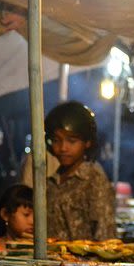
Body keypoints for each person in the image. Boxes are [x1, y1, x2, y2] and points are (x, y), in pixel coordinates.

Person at [45, 101, 116, 241]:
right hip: (52, 261)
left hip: (84, 262)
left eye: (71, 141)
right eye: (56, 140)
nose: (63, 148)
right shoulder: (51, 181)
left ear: (87, 142)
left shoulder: (94, 178)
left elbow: (105, 235)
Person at [0, 184, 34, 251]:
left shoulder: (45, 251)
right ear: (5, 214)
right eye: (26, 214)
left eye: (36, 217)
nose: (32, 221)